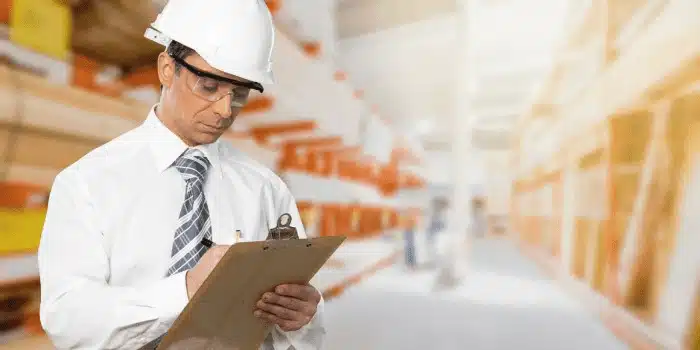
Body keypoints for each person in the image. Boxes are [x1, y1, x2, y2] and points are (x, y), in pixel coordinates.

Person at [36, 1, 324, 349]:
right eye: (208, 86)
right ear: (167, 69)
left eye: (239, 94)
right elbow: (67, 319)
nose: (223, 110)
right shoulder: (87, 183)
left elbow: (303, 332)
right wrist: (185, 289)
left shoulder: (265, 190)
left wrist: (298, 320)